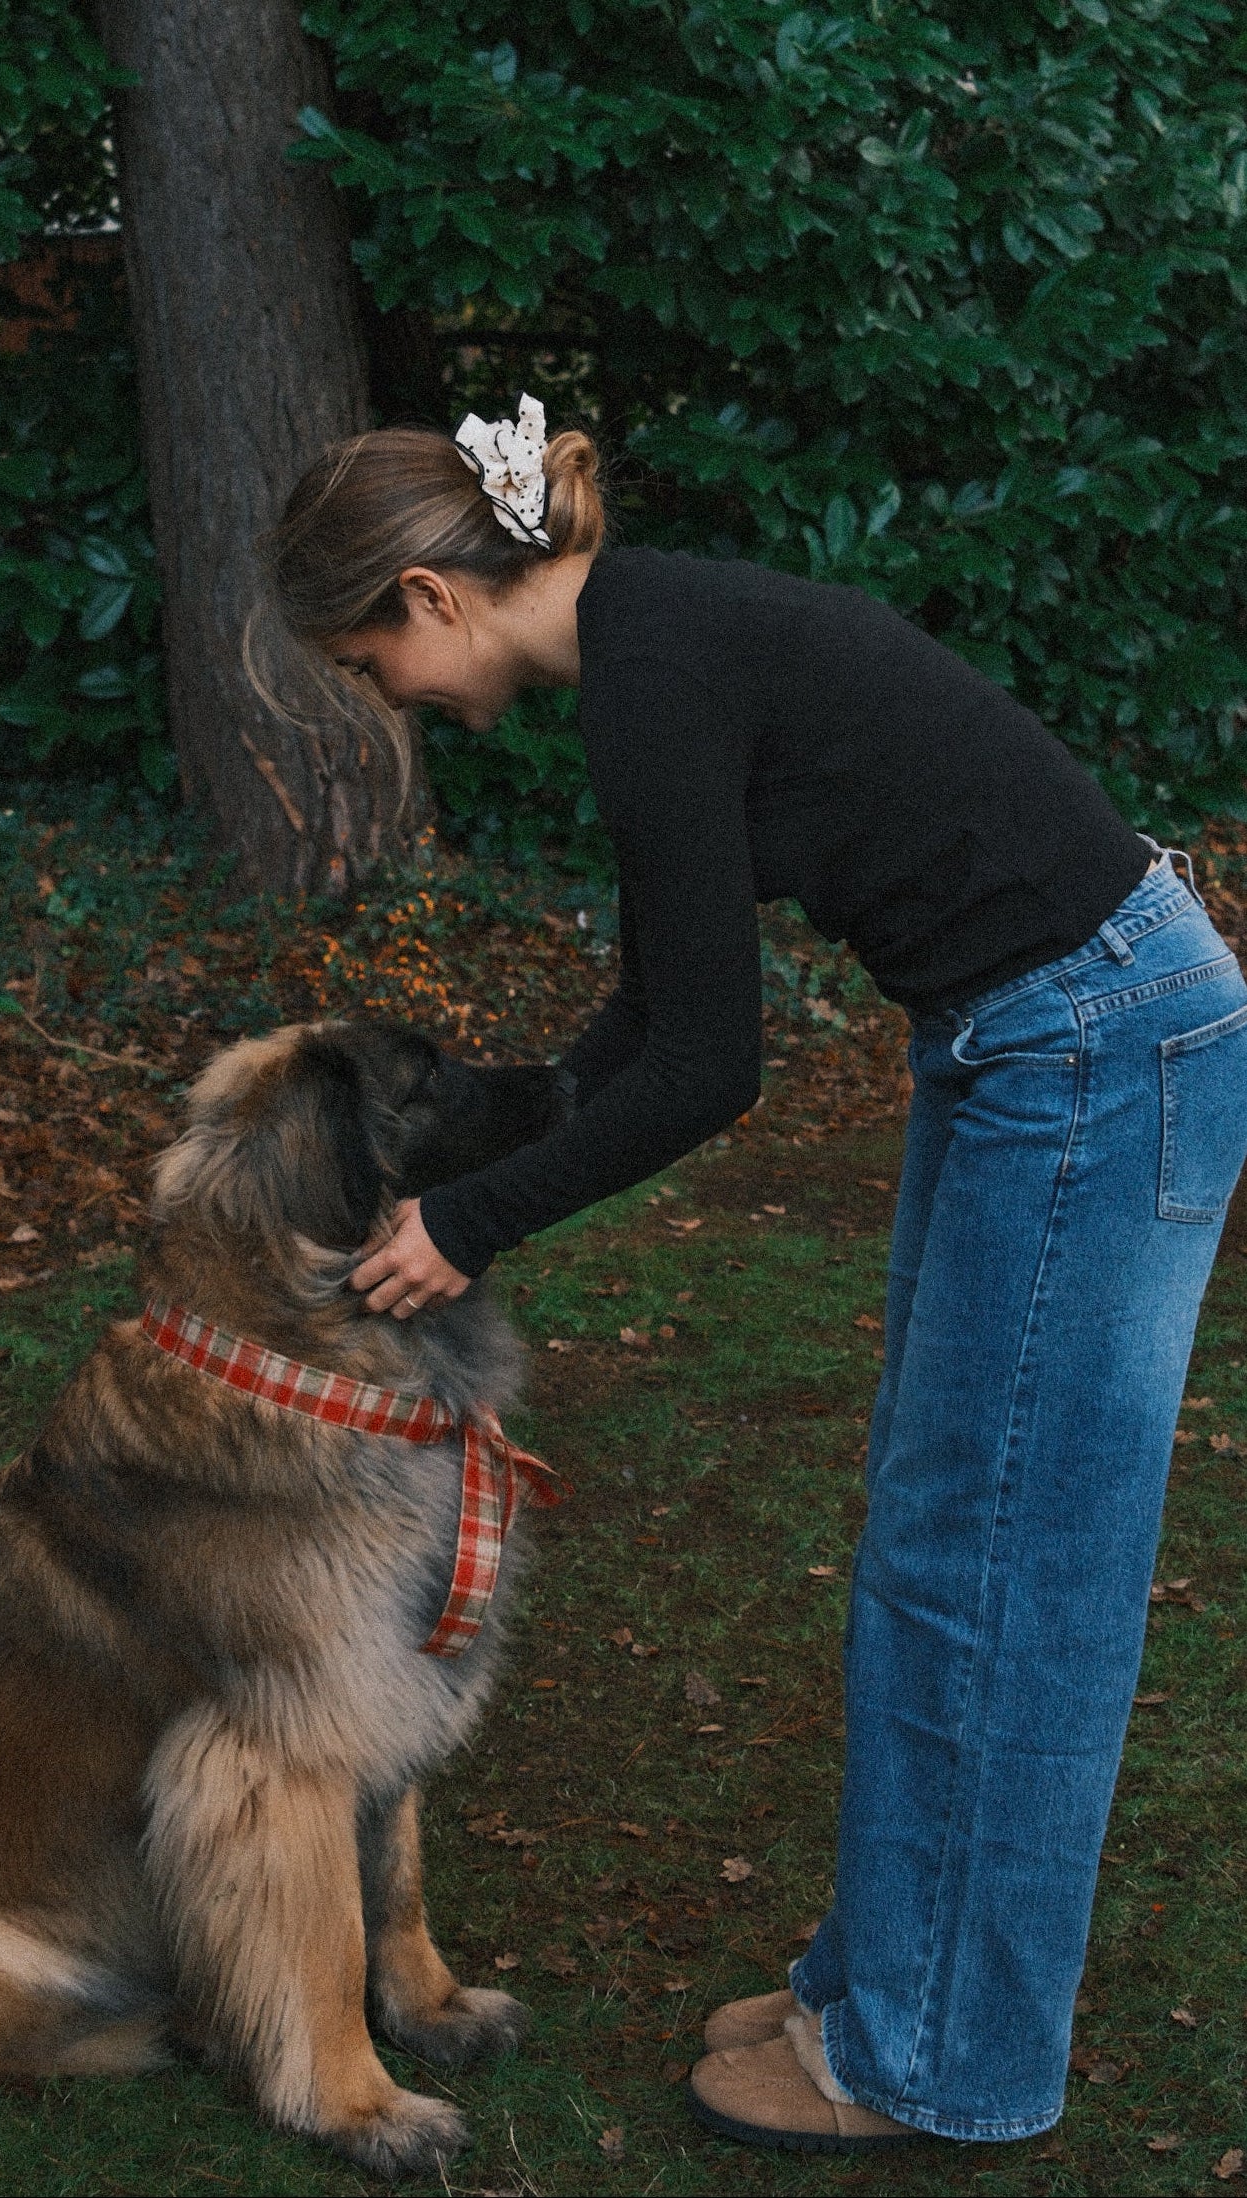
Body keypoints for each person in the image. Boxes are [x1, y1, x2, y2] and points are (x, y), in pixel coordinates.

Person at [257, 396, 1247, 2152]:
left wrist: (464, 1227)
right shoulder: (653, 643)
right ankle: (881, 1984)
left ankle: (938, 2059)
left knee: (999, 1565)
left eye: (365, 662)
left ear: (430, 594)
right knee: (939, 1528)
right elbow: (651, 1014)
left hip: (1099, 1051)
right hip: (1032, 1038)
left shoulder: (652, 677)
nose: (391, 702)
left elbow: (711, 1068)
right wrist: (459, 1162)